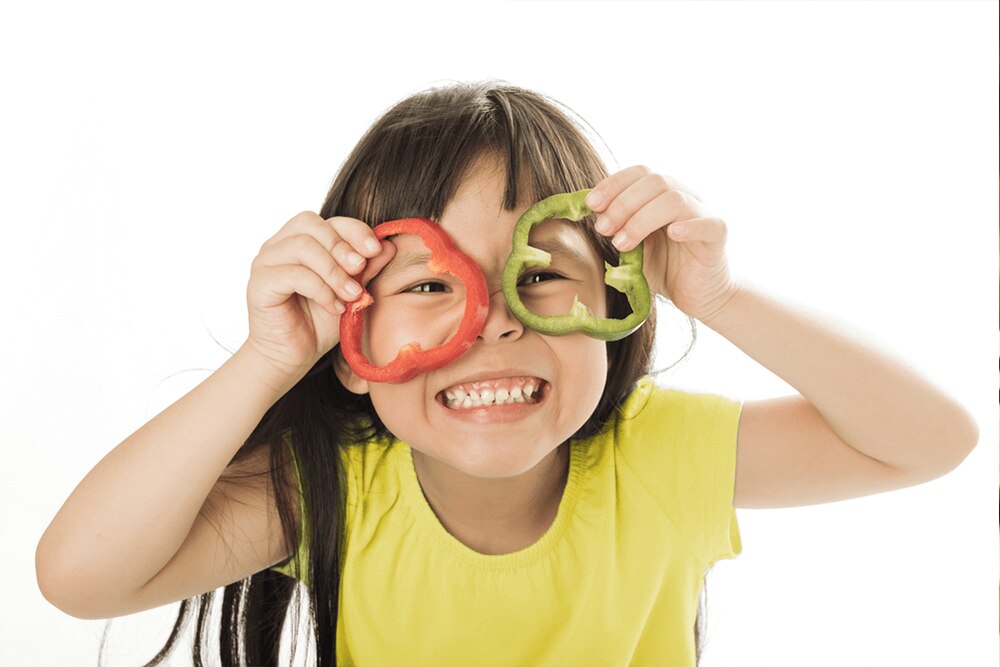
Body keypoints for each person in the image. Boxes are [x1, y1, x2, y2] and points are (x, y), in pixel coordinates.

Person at [35, 80, 979, 667]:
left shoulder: (662, 454)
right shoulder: (332, 489)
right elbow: (80, 577)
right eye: (430, 282)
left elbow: (933, 440)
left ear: (616, 303)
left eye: (537, 276)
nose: (486, 325)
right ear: (351, 343)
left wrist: (721, 296)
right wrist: (269, 358)